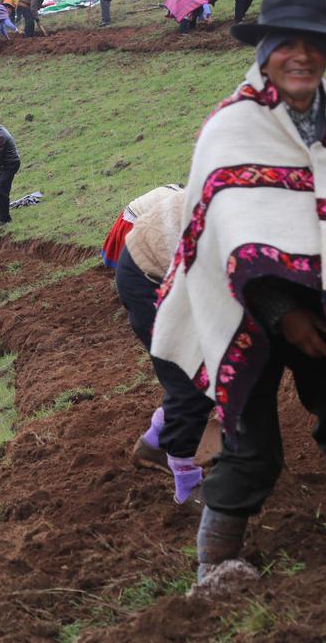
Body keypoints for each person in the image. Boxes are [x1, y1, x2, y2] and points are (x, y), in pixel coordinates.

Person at [149, 0, 326, 588]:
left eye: (313, 43)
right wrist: (281, 314)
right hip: (242, 307)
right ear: (263, 51)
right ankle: (214, 568)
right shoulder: (231, 128)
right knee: (251, 445)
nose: (300, 55)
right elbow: (221, 240)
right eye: (285, 42)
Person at [112, 187, 213, 506]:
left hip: (181, 267)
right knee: (192, 378)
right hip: (149, 276)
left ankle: (155, 441)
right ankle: (187, 484)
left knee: (214, 369)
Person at [100, 183, 183, 268]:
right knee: (135, 266)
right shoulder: (178, 200)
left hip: (132, 216)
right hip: (133, 224)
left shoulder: (173, 188)